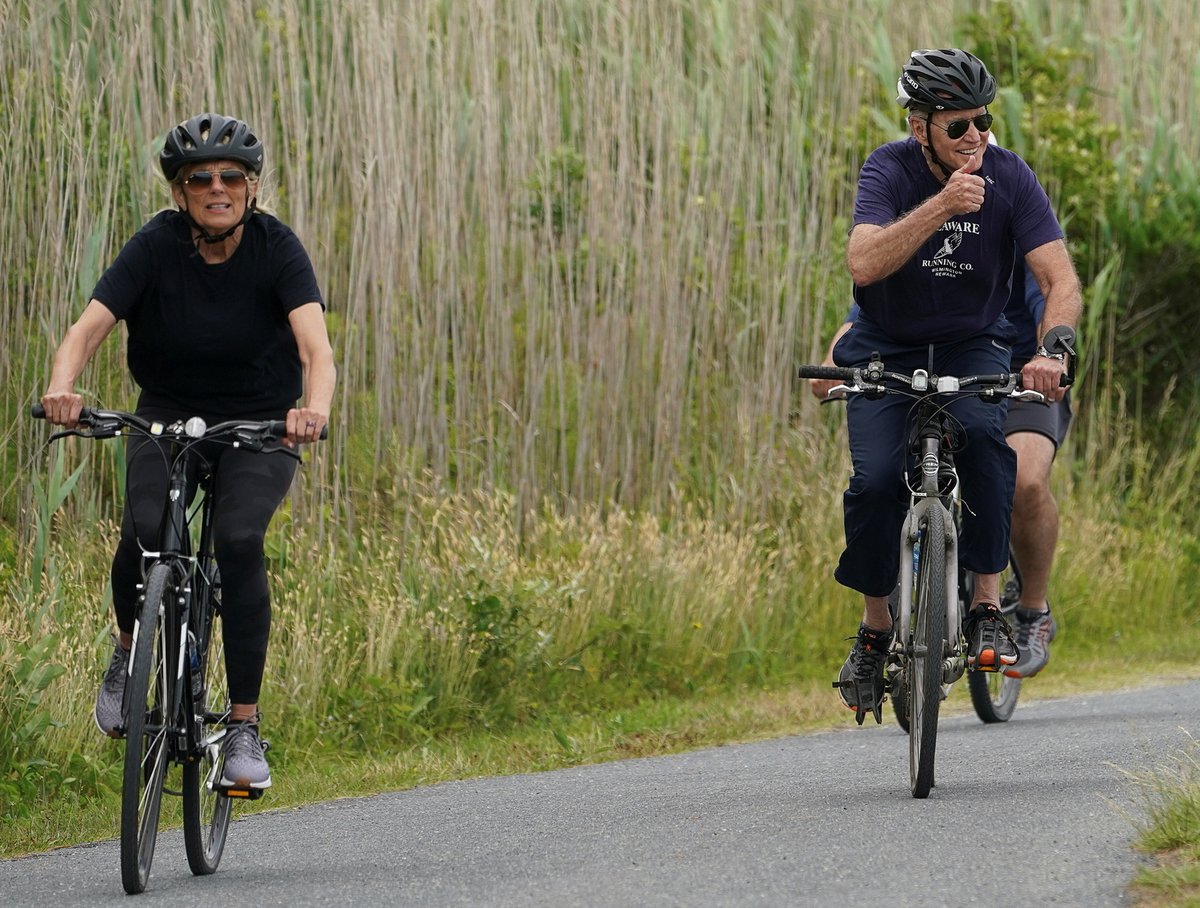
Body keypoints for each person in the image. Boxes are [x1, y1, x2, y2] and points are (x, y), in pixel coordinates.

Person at [39, 113, 336, 789]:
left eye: (231, 176)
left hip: (261, 424)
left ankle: (242, 729)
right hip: (169, 414)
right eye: (198, 178)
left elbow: (317, 350)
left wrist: (311, 410)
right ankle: (126, 654)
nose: (216, 187)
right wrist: (62, 386)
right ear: (179, 193)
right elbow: (88, 329)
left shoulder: (276, 248)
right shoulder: (155, 245)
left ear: (252, 186)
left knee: (236, 539)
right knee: (145, 531)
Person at [827, 48, 1081, 721]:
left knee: (991, 457)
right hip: (889, 342)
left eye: (984, 121)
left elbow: (1059, 278)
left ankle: (988, 608)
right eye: (959, 126)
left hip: (972, 342)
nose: (977, 137)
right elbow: (863, 259)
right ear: (920, 127)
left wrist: (1052, 350)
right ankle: (876, 627)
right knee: (876, 482)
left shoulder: (1009, 175)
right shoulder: (888, 168)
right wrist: (942, 206)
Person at [811, 258, 1070, 681]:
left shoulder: (1011, 219)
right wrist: (831, 361)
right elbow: (866, 311)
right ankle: (903, 603)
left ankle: (1031, 611)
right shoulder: (922, 221)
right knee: (889, 472)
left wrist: (1050, 356)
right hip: (935, 370)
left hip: (1021, 372)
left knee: (1024, 479)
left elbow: (1050, 293)